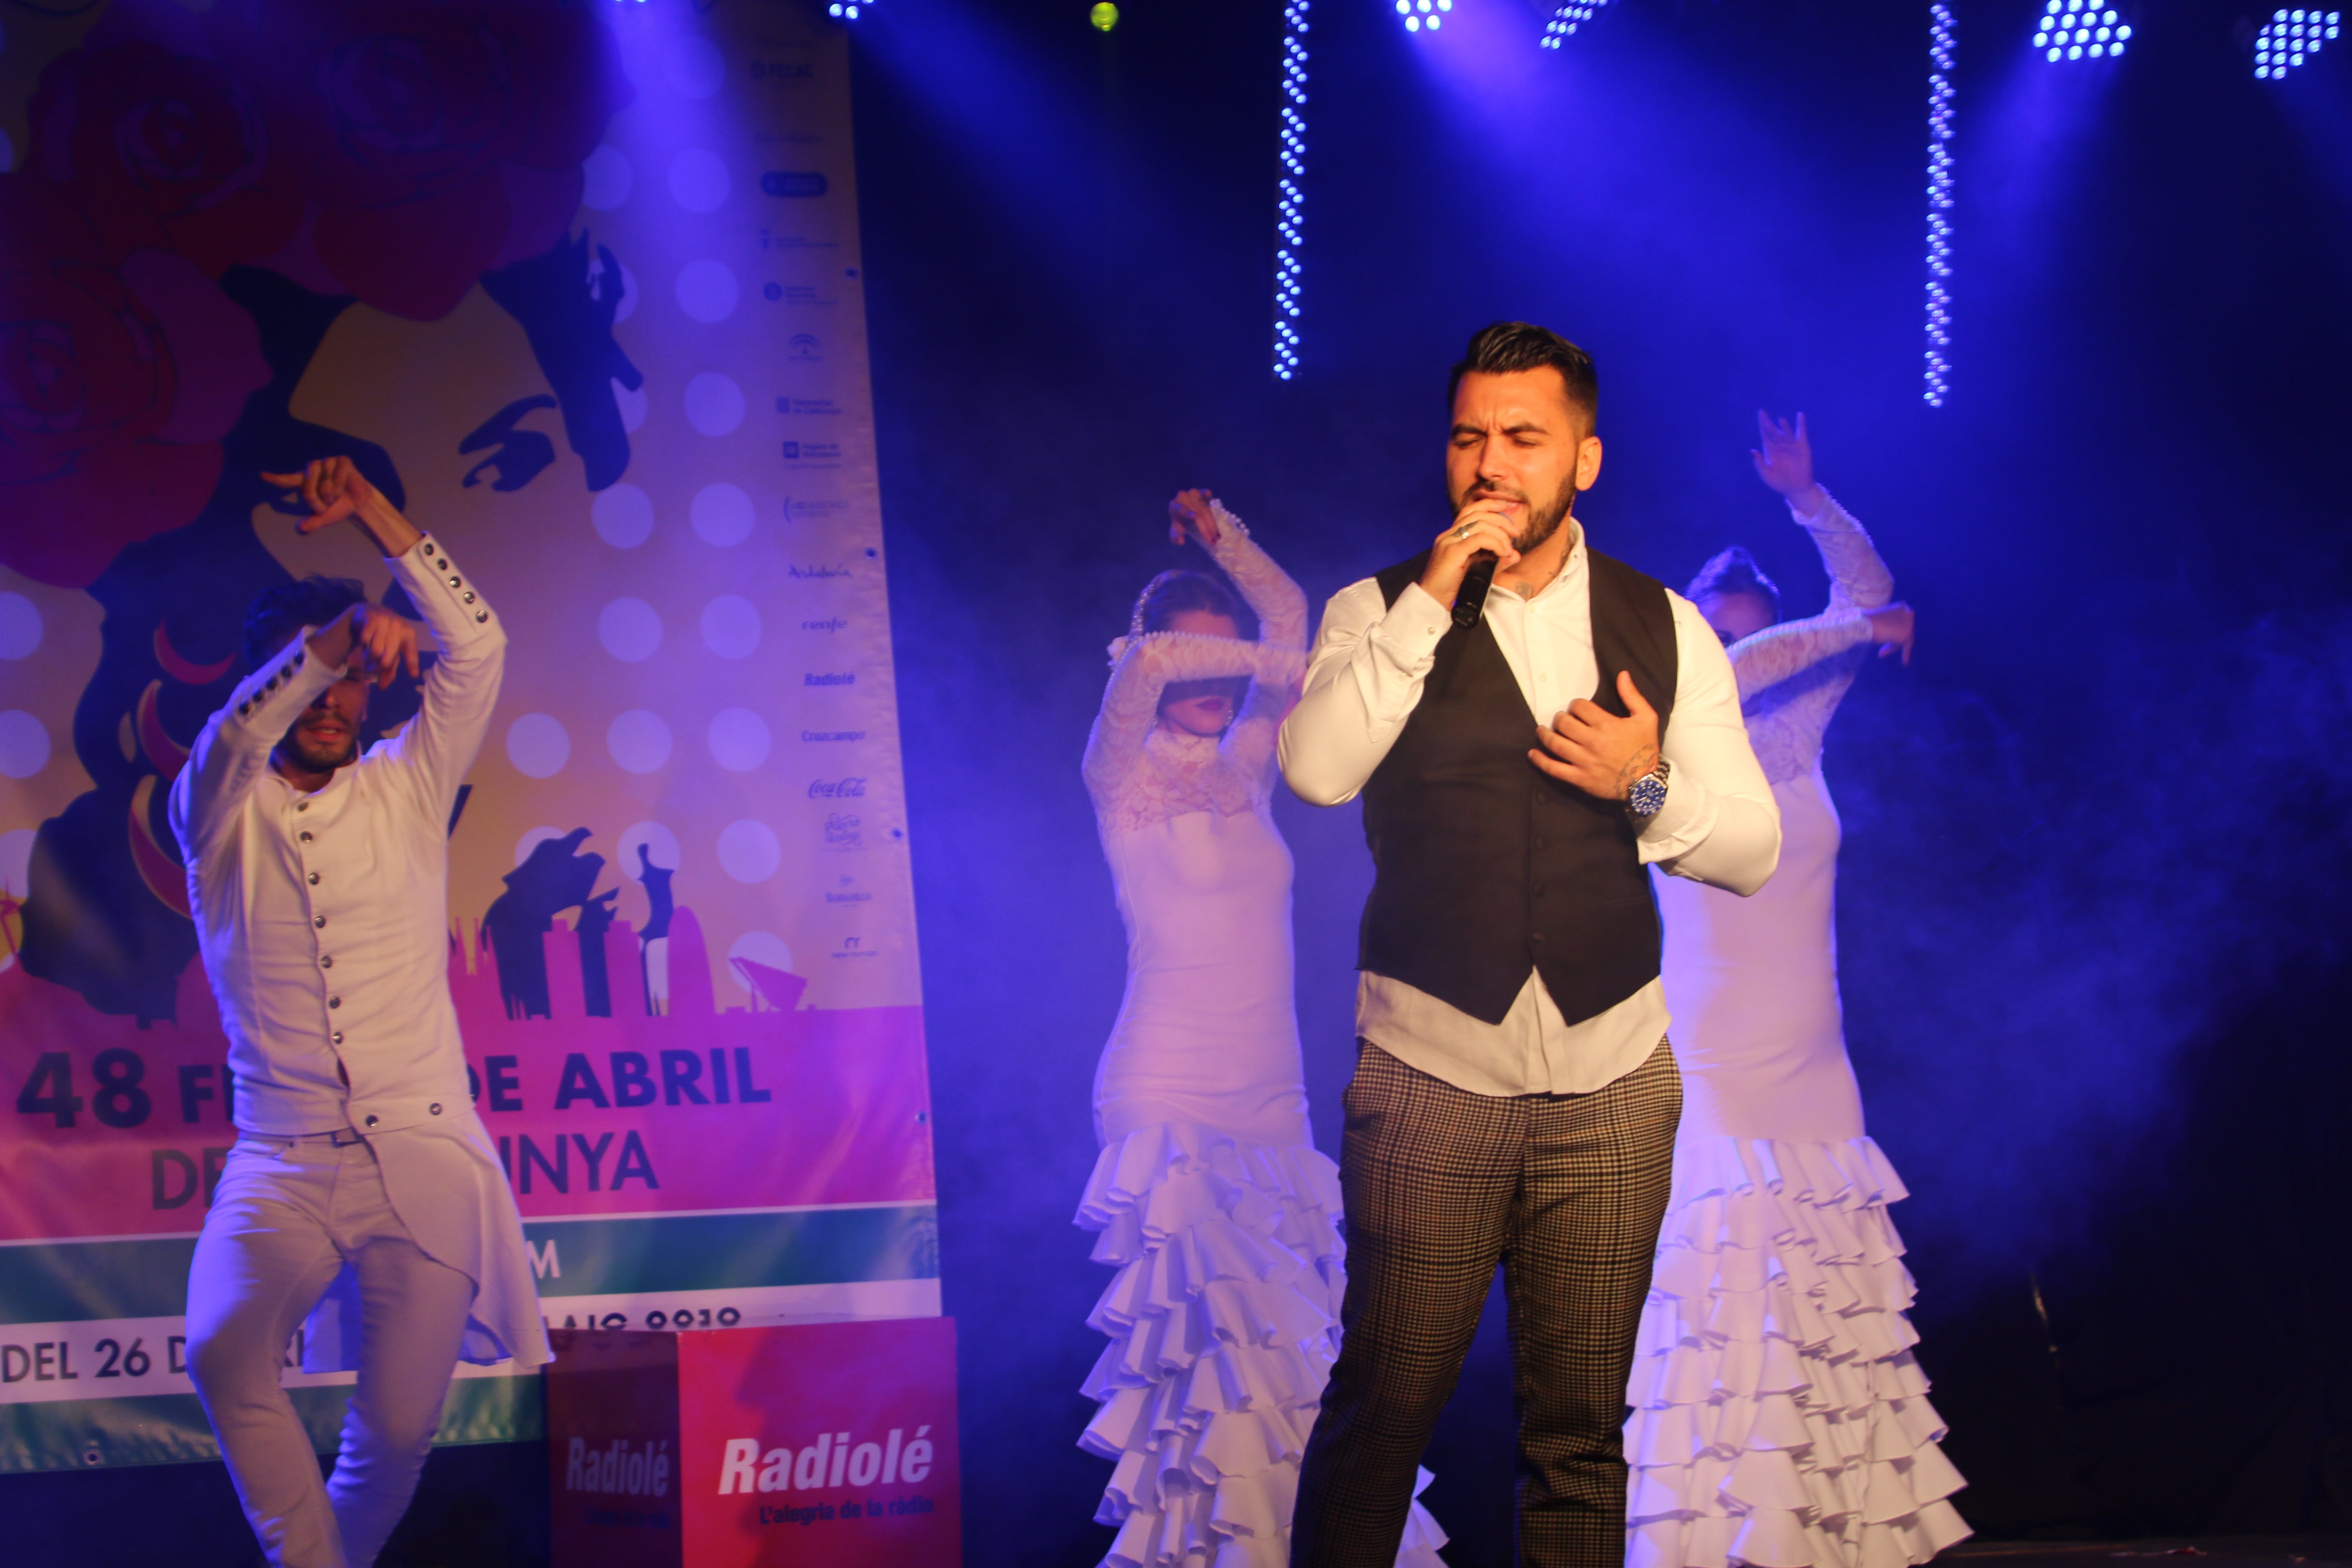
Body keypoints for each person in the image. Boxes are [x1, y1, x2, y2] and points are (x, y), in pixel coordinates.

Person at [1280, 322, 1782, 1568]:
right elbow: (1318, 772)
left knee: (1579, 1439)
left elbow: (1752, 850)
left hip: (1614, 1085)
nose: (1491, 465)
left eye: (1523, 438)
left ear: (1584, 460)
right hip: (1431, 1073)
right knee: (1384, 1412)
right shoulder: (1376, 608)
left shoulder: (1666, 624)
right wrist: (1430, 600)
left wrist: (1643, 784)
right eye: (1469, 438)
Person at [170, 456, 548, 1568]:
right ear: (278, 679)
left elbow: (478, 649)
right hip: (280, 1159)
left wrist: (380, 518)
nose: (337, 702)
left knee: (392, 1432)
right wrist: (332, 641)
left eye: (353, 681)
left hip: (425, 1151)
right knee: (222, 1352)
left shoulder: (406, 784)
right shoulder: (215, 810)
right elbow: (232, 740)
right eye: (317, 680)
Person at [1076, 491, 1447, 1568]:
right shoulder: (1117, 771)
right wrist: (1272, 664)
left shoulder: (1247, 765)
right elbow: (1160, 662)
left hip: (1275, 1109)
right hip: (1169, 1098)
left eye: (1223, 662)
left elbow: (1289, 615)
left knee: (1297, 1380)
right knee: (1214, 1393)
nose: (1212, 681)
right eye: (1194, 662)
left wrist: (1222, 538)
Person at [1622, 415, 1968, 1568]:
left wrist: (1809, 501)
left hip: (1816, 1058)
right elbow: (1748, 668)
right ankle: (1722, 1537)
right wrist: (1857, 626)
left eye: (1752, 629)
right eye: (1718, 633)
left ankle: (1836, 1537)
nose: (1738, 650)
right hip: (1714, 1055)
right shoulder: (1652, 753)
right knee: (1731, 1282)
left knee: (1825, 1290)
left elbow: (1862, 598)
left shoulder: (1802, 734)